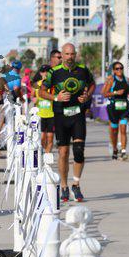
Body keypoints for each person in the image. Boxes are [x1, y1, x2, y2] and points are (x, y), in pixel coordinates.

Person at [39, 43, 95, 202]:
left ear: (75, 55)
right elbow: (42, 92)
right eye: (67, 54)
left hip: (78, 114)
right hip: (60, 115)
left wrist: (87, 96)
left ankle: (76, 184)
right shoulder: (54, 72)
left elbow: (92, 85)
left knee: (79, 150)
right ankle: (63, 186)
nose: (70, 57)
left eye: (72, 54)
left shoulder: (83, 70)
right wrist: (56, 97)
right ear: (62, 55)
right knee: (63, 152)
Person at [101, 62, 129, 160]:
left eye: (121, 68)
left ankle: (123, 151)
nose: (119, 70)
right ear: (114, 70)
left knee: (123, 129)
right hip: (113, 108)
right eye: (117, 68)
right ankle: (114, 148)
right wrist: (115, 92)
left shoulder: (127, 80)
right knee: (114, 131)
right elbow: (104, 94)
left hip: (124, 108)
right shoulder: (111, 80)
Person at [33, 52, 62, 153]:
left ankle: (47, 155)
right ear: (40, 73)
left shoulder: (53, 85)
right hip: (40, 115)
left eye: (47, 71)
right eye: (43, 71)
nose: (45, 73)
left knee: (50, 137)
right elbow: (32, 96)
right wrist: (34, 99)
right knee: (42, 137)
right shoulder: (36, 85)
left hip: (51, 114)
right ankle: (42, 154)